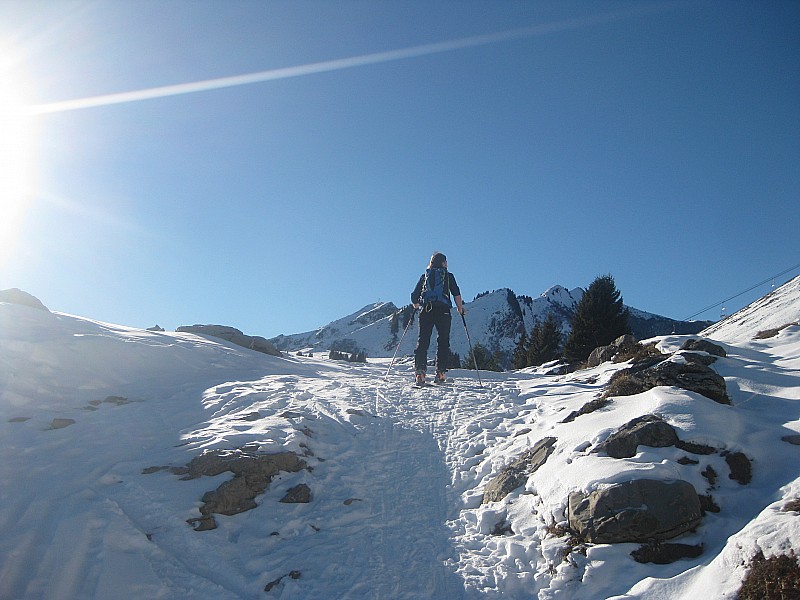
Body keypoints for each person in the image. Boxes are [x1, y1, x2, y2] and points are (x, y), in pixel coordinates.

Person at [410, 252, 464, 385]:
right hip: (443, 312)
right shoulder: (448, 276)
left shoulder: (425, 276)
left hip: (426, 311)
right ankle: (440, 373)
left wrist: (417, 305)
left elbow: (414, 296)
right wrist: (460, 309)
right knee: (443, 341)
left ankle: (420, 373)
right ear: (444, 263)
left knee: (423, 341)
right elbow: (456, 293)